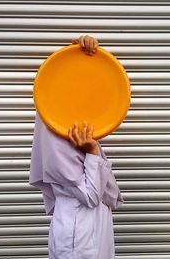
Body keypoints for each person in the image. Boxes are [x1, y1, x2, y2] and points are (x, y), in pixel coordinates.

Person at [29, 35, 124, 259]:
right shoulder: (55, 129)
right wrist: (92, 152)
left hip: (89, 225)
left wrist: (82, 55)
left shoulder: (74, 118)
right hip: (77, 230)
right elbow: (90, 195)